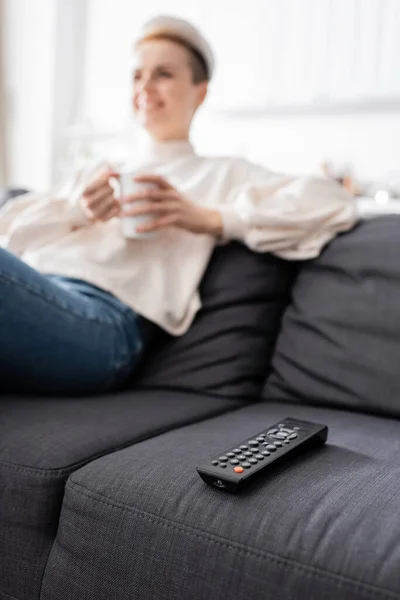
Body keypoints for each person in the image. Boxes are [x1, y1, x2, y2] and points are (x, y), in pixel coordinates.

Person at [0, 15, 358, 396]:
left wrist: (211, 218)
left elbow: (333, 201)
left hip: (100, 324)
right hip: (37, 294)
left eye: (163, 74)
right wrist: (76, 211)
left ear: (199, 92)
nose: (145, 87)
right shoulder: (99, 174)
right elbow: (8, 233)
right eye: (137, 76)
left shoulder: (221, 174)